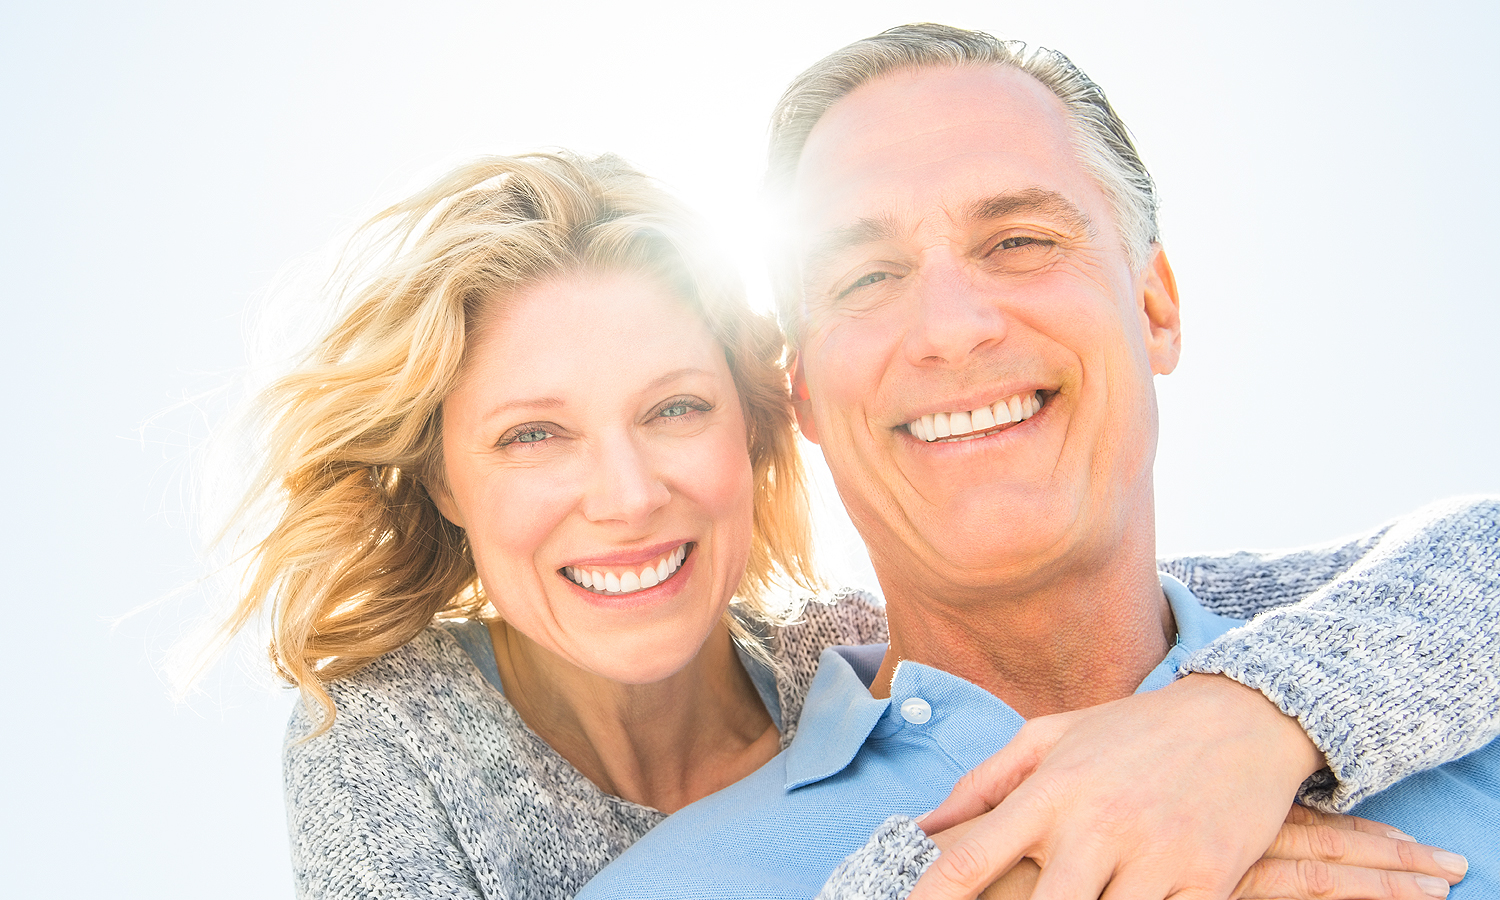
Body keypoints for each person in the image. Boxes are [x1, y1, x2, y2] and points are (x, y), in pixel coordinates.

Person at [220, 150, 1488, 900]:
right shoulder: (395, 733)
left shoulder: (851, 660)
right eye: (532, 435)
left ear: (764, 426)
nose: (623, 494)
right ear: (442, 480)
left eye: (673, 408)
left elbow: (1451, 576)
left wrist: (1242, 725)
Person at [574, 24, 1500, 900]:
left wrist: (1262, 709)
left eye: (1019, 242)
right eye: (865, 277)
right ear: (805, 389)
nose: (951, 328)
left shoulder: (1466, 727)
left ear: (1155, 309)